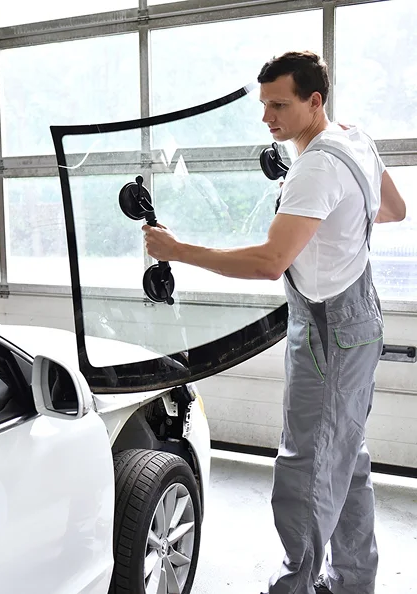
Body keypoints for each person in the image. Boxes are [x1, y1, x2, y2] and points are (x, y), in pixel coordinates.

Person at [143, 51, 406, 594]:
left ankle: (296, 584)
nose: (267, 118)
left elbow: (269, 262)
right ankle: (352, 581)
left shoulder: (316, 167)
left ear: (315, 100)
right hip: (361, 315)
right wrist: (325, 219)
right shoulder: (355, 139)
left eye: (279, 105)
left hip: (328, 329)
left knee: (306, 464)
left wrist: (177, 250)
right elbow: (392, 209)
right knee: (345, 455)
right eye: (264, 105)